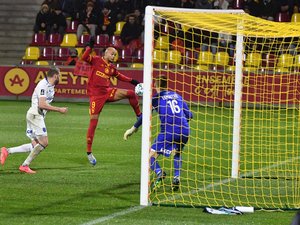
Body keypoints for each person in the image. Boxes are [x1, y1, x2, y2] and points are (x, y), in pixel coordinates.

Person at [123, 75, 193, 191]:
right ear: (167, 85)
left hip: (169, 131)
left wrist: (133, 129)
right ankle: (176, 177)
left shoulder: (156, 99)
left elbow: (144, 116)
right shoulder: (177, 96)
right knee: (178, 152)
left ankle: (160, 173)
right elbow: (190, 115)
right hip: (185, 130)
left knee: (149, 156)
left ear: (155, 86)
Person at [81, 39, 142, 166]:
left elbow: (121, 76)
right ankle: (89, 152)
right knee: (93, 123)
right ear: (105, 54)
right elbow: (84, 57)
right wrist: (89, 47)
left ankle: (139, 116)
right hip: (96, 97)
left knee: (130, 93)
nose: (114, 56)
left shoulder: (111, 68)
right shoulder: (96, 60)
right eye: (112, 53)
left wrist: (134, 81)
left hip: (107, 92)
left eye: (115, 54)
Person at [0, 67, 68, 174]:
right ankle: (24, 165)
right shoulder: (43, 85)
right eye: (59, 75)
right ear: (55, 76)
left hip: (35, 115)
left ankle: (7, 151)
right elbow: (41, 104)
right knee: (44, 143)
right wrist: (59, 109)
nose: (60, 77)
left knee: (35, 144)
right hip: (35, 115)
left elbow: (44, 104)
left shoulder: (50, 86)